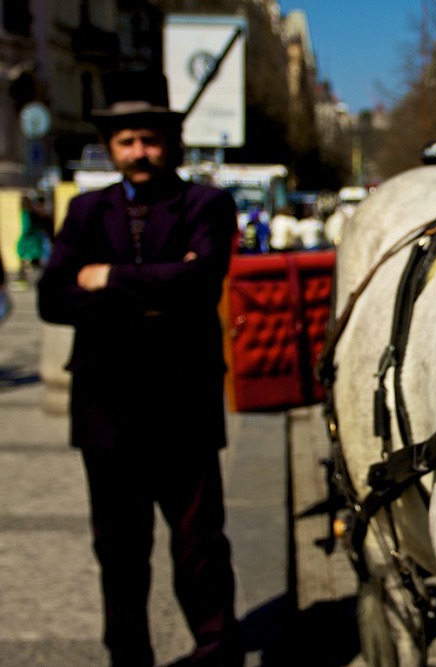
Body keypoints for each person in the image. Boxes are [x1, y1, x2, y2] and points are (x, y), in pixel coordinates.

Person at [37, 70, 243, 667]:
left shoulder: (208, 203)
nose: (139, 152)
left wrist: (107, 279)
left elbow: (201, 282)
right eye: (127, 141)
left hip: (184, 405)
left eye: (149, 139)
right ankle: (129, 658)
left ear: (171, 142)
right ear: (111, 146)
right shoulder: (84, 212)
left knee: (200, 546)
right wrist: (159, 286)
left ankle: (217, 653)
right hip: (106, 412)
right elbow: (53, 299)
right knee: (120, 553)